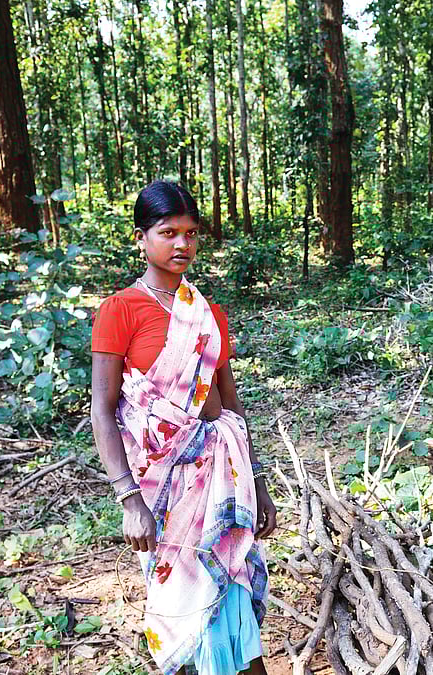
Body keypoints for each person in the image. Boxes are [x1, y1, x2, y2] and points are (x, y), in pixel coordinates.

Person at [90, 180, 277, 674]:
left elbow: (230, 403)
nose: (182, 245)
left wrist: (257, 483)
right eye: (168, 232)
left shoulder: (208, 312)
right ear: (141, 238)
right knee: (185, 615)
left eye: (190, 234)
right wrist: (129, 500)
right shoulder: (120, 311)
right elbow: (102, 411)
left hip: (221, 481)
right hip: (162, 490)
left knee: (234, 608)